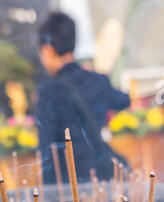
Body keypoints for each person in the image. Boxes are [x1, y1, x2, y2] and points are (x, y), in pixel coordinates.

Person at [36, 12, 130, 183]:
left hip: (70, 185)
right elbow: (124, 100)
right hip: (102, 179)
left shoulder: (48, 92)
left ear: (47, 50)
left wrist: (48, 198)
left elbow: (47, 151)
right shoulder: (97, 81)